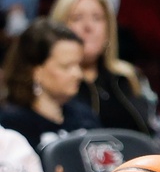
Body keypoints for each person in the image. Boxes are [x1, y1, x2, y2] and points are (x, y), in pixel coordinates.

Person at [49, 0, 160, 140]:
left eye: (97, 18)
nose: (88, 26)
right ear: (59, 28)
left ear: (108, 29)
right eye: (77, 18)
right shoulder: (51, 82)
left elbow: (158, 134)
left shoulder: (129, 77)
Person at [0, 19, 100, 150]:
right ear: (35, 71)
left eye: (79, 65)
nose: (78, 74)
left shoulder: (85, 116)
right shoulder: (11, 124)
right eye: (66, 66)